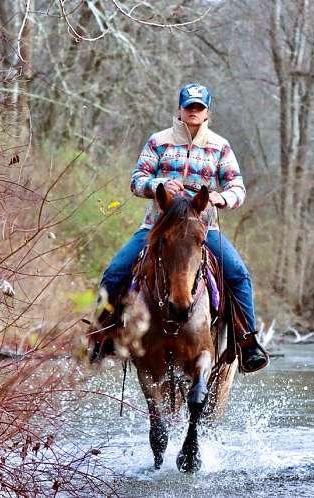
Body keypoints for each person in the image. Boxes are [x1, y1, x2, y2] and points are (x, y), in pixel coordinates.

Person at [96, 83, 268, 373]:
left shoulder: (220, 146)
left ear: (207, 112)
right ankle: (103, 339)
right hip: (158, 227)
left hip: (203, 229)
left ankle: (246, 342)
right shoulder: (158, 142)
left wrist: (219, 197)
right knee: (115, 272)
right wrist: (158, 186)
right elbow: (137, 179)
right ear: (180, 109)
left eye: (199, 107)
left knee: (238, 274)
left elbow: (237, 187)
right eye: (189, 106)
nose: (193, 112)